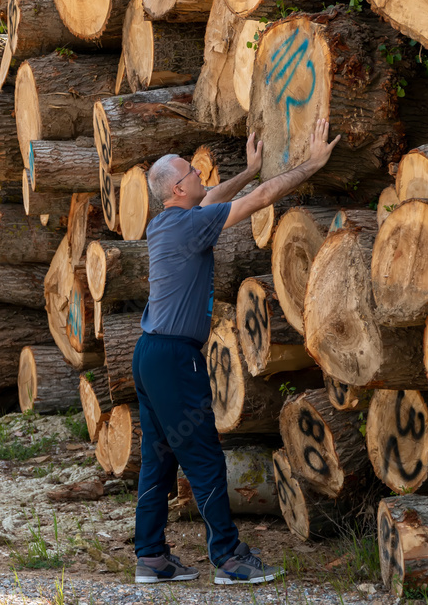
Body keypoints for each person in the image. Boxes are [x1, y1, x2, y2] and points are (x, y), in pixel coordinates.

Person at [132, 119, 341, 585]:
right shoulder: (187, 224)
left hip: (149, 356)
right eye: (193, 172)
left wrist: (248, 170)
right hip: (173, 361)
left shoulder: (165, 223)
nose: (201, 176)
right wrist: (312, 163)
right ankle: (229, 558)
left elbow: (215, 197)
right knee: (204, 457)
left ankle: (151, 557)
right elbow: (261, 200)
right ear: (179, 187)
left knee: (158, 458)